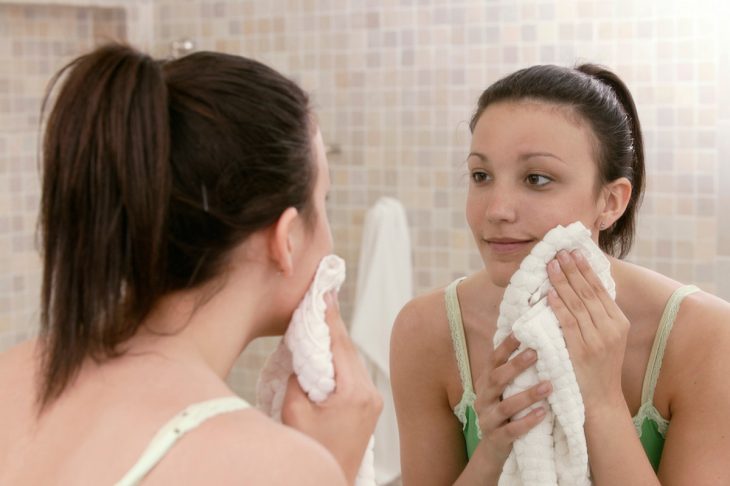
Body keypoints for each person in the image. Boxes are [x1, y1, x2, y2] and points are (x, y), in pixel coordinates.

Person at [0, 43, 381, 485]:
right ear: (287, 238)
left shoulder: (11, 371)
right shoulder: (272, 466)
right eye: (324, 201)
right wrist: (335, 465)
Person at [391, 63, 730, 485]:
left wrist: (603, 401)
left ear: (610, 201)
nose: (496, 210)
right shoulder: (428, 330)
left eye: (536, 178)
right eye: (481, 175)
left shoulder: (706, 337)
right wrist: (493, 448)